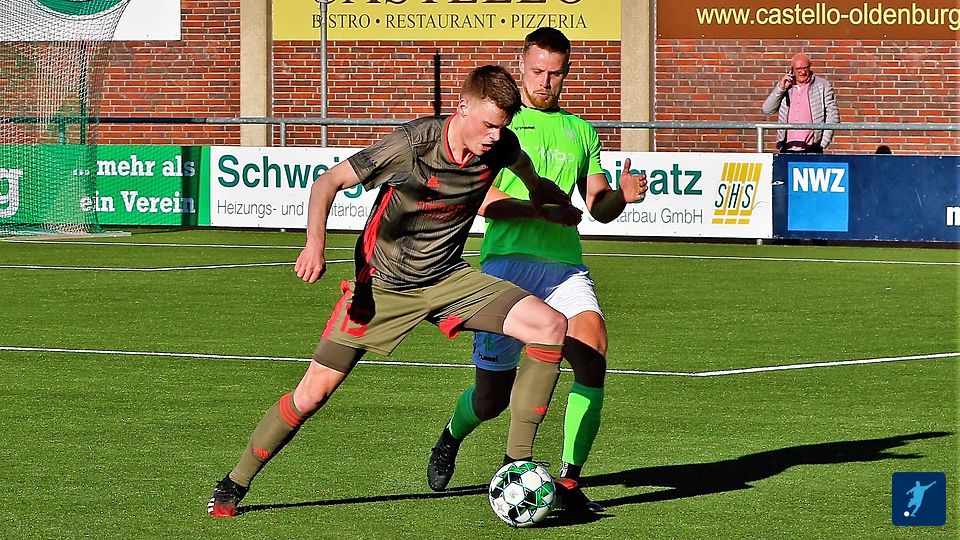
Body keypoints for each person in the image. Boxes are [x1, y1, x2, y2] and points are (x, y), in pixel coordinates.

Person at [206, 64, 581, 518]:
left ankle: (516, 466)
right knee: (313, 393)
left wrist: (540, 198)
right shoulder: (412, 144)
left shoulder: (501, 145)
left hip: (447, 279)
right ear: (462, 107)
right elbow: (328, 182)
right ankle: (234, 482)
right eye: (487, 125)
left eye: (502, 127)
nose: (494, 137)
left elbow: (524, 169)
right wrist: (314, 244)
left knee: (549, 325)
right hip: (381, 287)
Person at [426, 27, 648, 513]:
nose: (545, 81)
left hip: (563, 267)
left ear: (567, 73)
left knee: (593, 352)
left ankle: (568, 483)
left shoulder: (581, 131)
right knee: (491, 399)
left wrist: (621, 197)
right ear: (521, 67)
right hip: (505, 266)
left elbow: (598, 206)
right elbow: (482, 199)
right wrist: (541, 210)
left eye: (556, 73)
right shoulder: (498, 126)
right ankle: (451, 435)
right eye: (537, 71)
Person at [761, 53, 839, 153]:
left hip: (812, 148)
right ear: (792, 70)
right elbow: (767, 110)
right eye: (798, 69)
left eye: (805, 68)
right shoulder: (784, 85)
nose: (802, 72)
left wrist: (823, 143)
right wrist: (781, 89)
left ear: (810, 67)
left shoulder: (823, 85)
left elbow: (832, 116)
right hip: (787, 147)